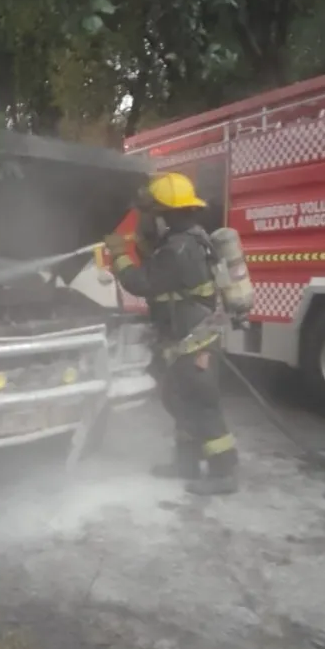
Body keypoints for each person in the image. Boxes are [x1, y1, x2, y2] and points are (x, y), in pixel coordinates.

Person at [105, 172, 238, 496]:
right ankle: (186, 462)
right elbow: (163, 272)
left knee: (199, 403)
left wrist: (120, 255)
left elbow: (142, 283)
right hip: (188, 336)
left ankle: (224, 471)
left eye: (154, 214)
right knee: (180, 398)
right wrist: (141, 246)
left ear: (168, 214)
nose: (150, 221)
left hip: (194, 340)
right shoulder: (188, 240)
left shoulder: (178, 249)